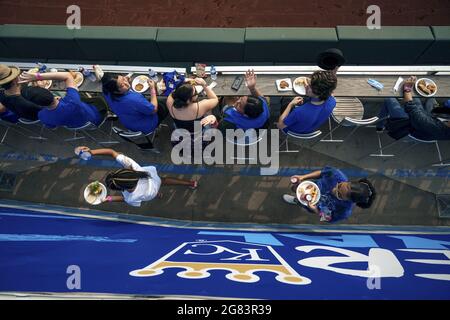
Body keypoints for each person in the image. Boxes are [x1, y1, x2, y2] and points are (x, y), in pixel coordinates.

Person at [77, 146, 198, 207]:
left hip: (150, 193)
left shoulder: (131, 197)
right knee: (164, 180)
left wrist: (108, 199)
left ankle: (158, 194)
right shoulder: (131, 165)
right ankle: (190, 183)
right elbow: (111, 152)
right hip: (152, 178)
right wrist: (91, 151)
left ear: (121, 189)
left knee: (154, 193)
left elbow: (124, 199)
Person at [282, 166, 376, 223]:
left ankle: (296, 201)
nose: (334, 190)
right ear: (348, 182)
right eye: (339, 185)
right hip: (310, 187)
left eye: (339, 194)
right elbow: (321, 173)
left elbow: (329, 218)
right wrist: (303, 177)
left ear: (349, 201)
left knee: (302, 203)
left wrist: (316, 210)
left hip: (314, 205)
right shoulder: (337, 175)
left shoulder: (344, 211)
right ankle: (297, 198)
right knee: (294, 188)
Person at [102, 73, 168, 148]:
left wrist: (123, 81)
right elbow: (154, 110)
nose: (126, 83)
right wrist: (152, 88)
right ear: (115, 91)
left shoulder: (106, 91)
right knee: (165, 103)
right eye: (122, 85)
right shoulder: (133, 99)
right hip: (147, 125)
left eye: (123, 78)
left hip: (129, 123)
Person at [18, 71, 104, 128]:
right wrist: (37, 76)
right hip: (95, 118)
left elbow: (52, 126)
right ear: (49, 92)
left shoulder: (42, 116)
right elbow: (67, 76)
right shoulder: (72, 101)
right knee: (98, 100)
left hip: (76, 125)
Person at [376, 76, 450, 141]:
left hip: (410, 126)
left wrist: (407, 89)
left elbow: (411, 108)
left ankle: (379, 127)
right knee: (417, 94)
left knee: (389, 99)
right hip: (427, 117)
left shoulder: (436, 128)